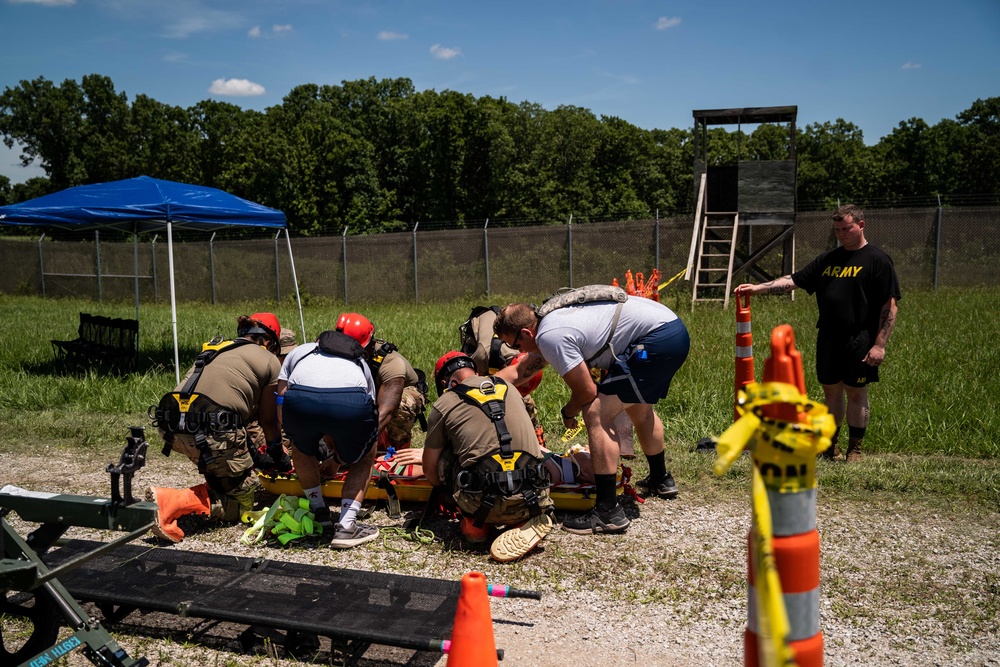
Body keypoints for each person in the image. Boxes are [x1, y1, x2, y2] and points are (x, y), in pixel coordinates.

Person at [494, 293, 690, 535]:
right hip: (671, 330)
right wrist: (480, 385)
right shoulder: (550, 323)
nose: (516, 351)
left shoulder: (549, 336)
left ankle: (608, 513)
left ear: (525, 333)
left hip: (655, 341)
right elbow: (520, 371)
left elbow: (587, 392)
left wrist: (568, 412)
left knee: (596, 413)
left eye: (514, 345)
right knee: (638, 406)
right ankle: (661, 479)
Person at [733, 204, 901, 462]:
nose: (842, 234)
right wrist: (758, 288)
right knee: (831, 392)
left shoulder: (877, 260)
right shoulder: (828, 260)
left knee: (856, 392)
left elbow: (889, 306)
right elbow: (795, 280)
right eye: (837, 230)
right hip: (829, 337)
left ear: (861, 225)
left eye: (847, 229)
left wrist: (879, 345)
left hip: (860, 338)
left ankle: (854, 449)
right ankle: (829, 446)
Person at [148, 312, 282, 543]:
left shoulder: (215, 347)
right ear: (268, 341)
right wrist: (277, 452)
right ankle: (173, 500)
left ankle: (211, 486)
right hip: (211, 430)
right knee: (243, 503)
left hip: (170, 424)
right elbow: (267, 421)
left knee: (225, 473)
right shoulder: (268, 360)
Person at [412, 351, 554, 562]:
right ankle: (521, 519)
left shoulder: (445, 403)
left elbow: (431, 471)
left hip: (480, 503)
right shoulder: (509, 388)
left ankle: (475, 527)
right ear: (475, 372)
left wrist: (445, 492)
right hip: (534, 492)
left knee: (446, 451)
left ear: (447, 382)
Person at [276, 325, 381, 548]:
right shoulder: (358, 359)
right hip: (349, 401)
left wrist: (292, 433)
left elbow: (282, 396)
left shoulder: (300, 351)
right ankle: (346, 526)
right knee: (365, 454)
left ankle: (318, 511)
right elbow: (370, 408)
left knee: (302, 448)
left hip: (299, 400)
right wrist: (342, 456)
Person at [336, 313, 428, 454]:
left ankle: (398, 453)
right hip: (370, 397)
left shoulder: (390, 363)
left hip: (396, 400)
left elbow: (387, 410)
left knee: (402, 404)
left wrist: (359, 445)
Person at [459, 305, 547, 445]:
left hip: (503, 354)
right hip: (480, 328)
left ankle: (537, 441)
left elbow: (520, 377)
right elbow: (471, 383)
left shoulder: (528, 349)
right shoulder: (483, 356)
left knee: (523, 401)